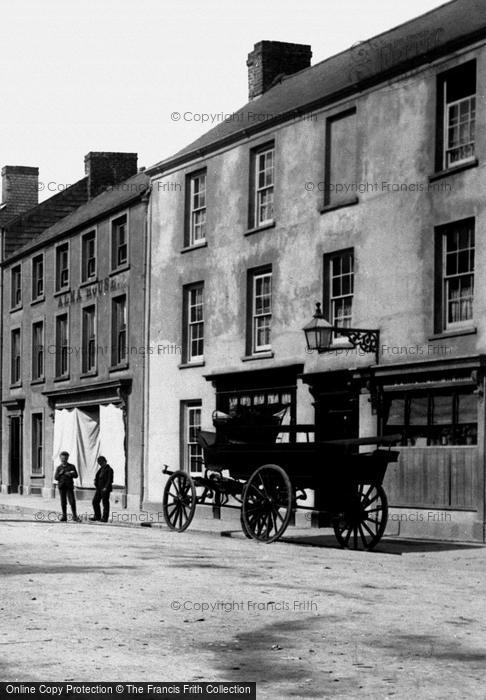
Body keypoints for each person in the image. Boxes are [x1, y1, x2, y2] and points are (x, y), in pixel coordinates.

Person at [54, 451, 79, 522]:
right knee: (63, 502)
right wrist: (60, 473)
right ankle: (64, 516)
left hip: (69, 486)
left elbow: (76, 475)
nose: (63, 459)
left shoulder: (71, 466)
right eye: (62, 458)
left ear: (67, 458)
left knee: (72, 501)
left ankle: (75, 516)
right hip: (62, 487)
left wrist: (70, 474)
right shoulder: (59, 468)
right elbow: (56, 478)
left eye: (65, 458)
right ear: (60, 458)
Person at [90, 456, 114, 523]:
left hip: (105, 489)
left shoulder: (109, 469)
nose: (100, 464)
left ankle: (105, 518)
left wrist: (106, 487)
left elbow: (110, 480)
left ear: (105, 461)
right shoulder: (101, 469)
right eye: (99, 463)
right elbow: (97, 477)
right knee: (95, 501)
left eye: (101, 462)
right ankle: (97, 516)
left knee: (105, 503)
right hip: (99, 489)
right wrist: (95, 481)